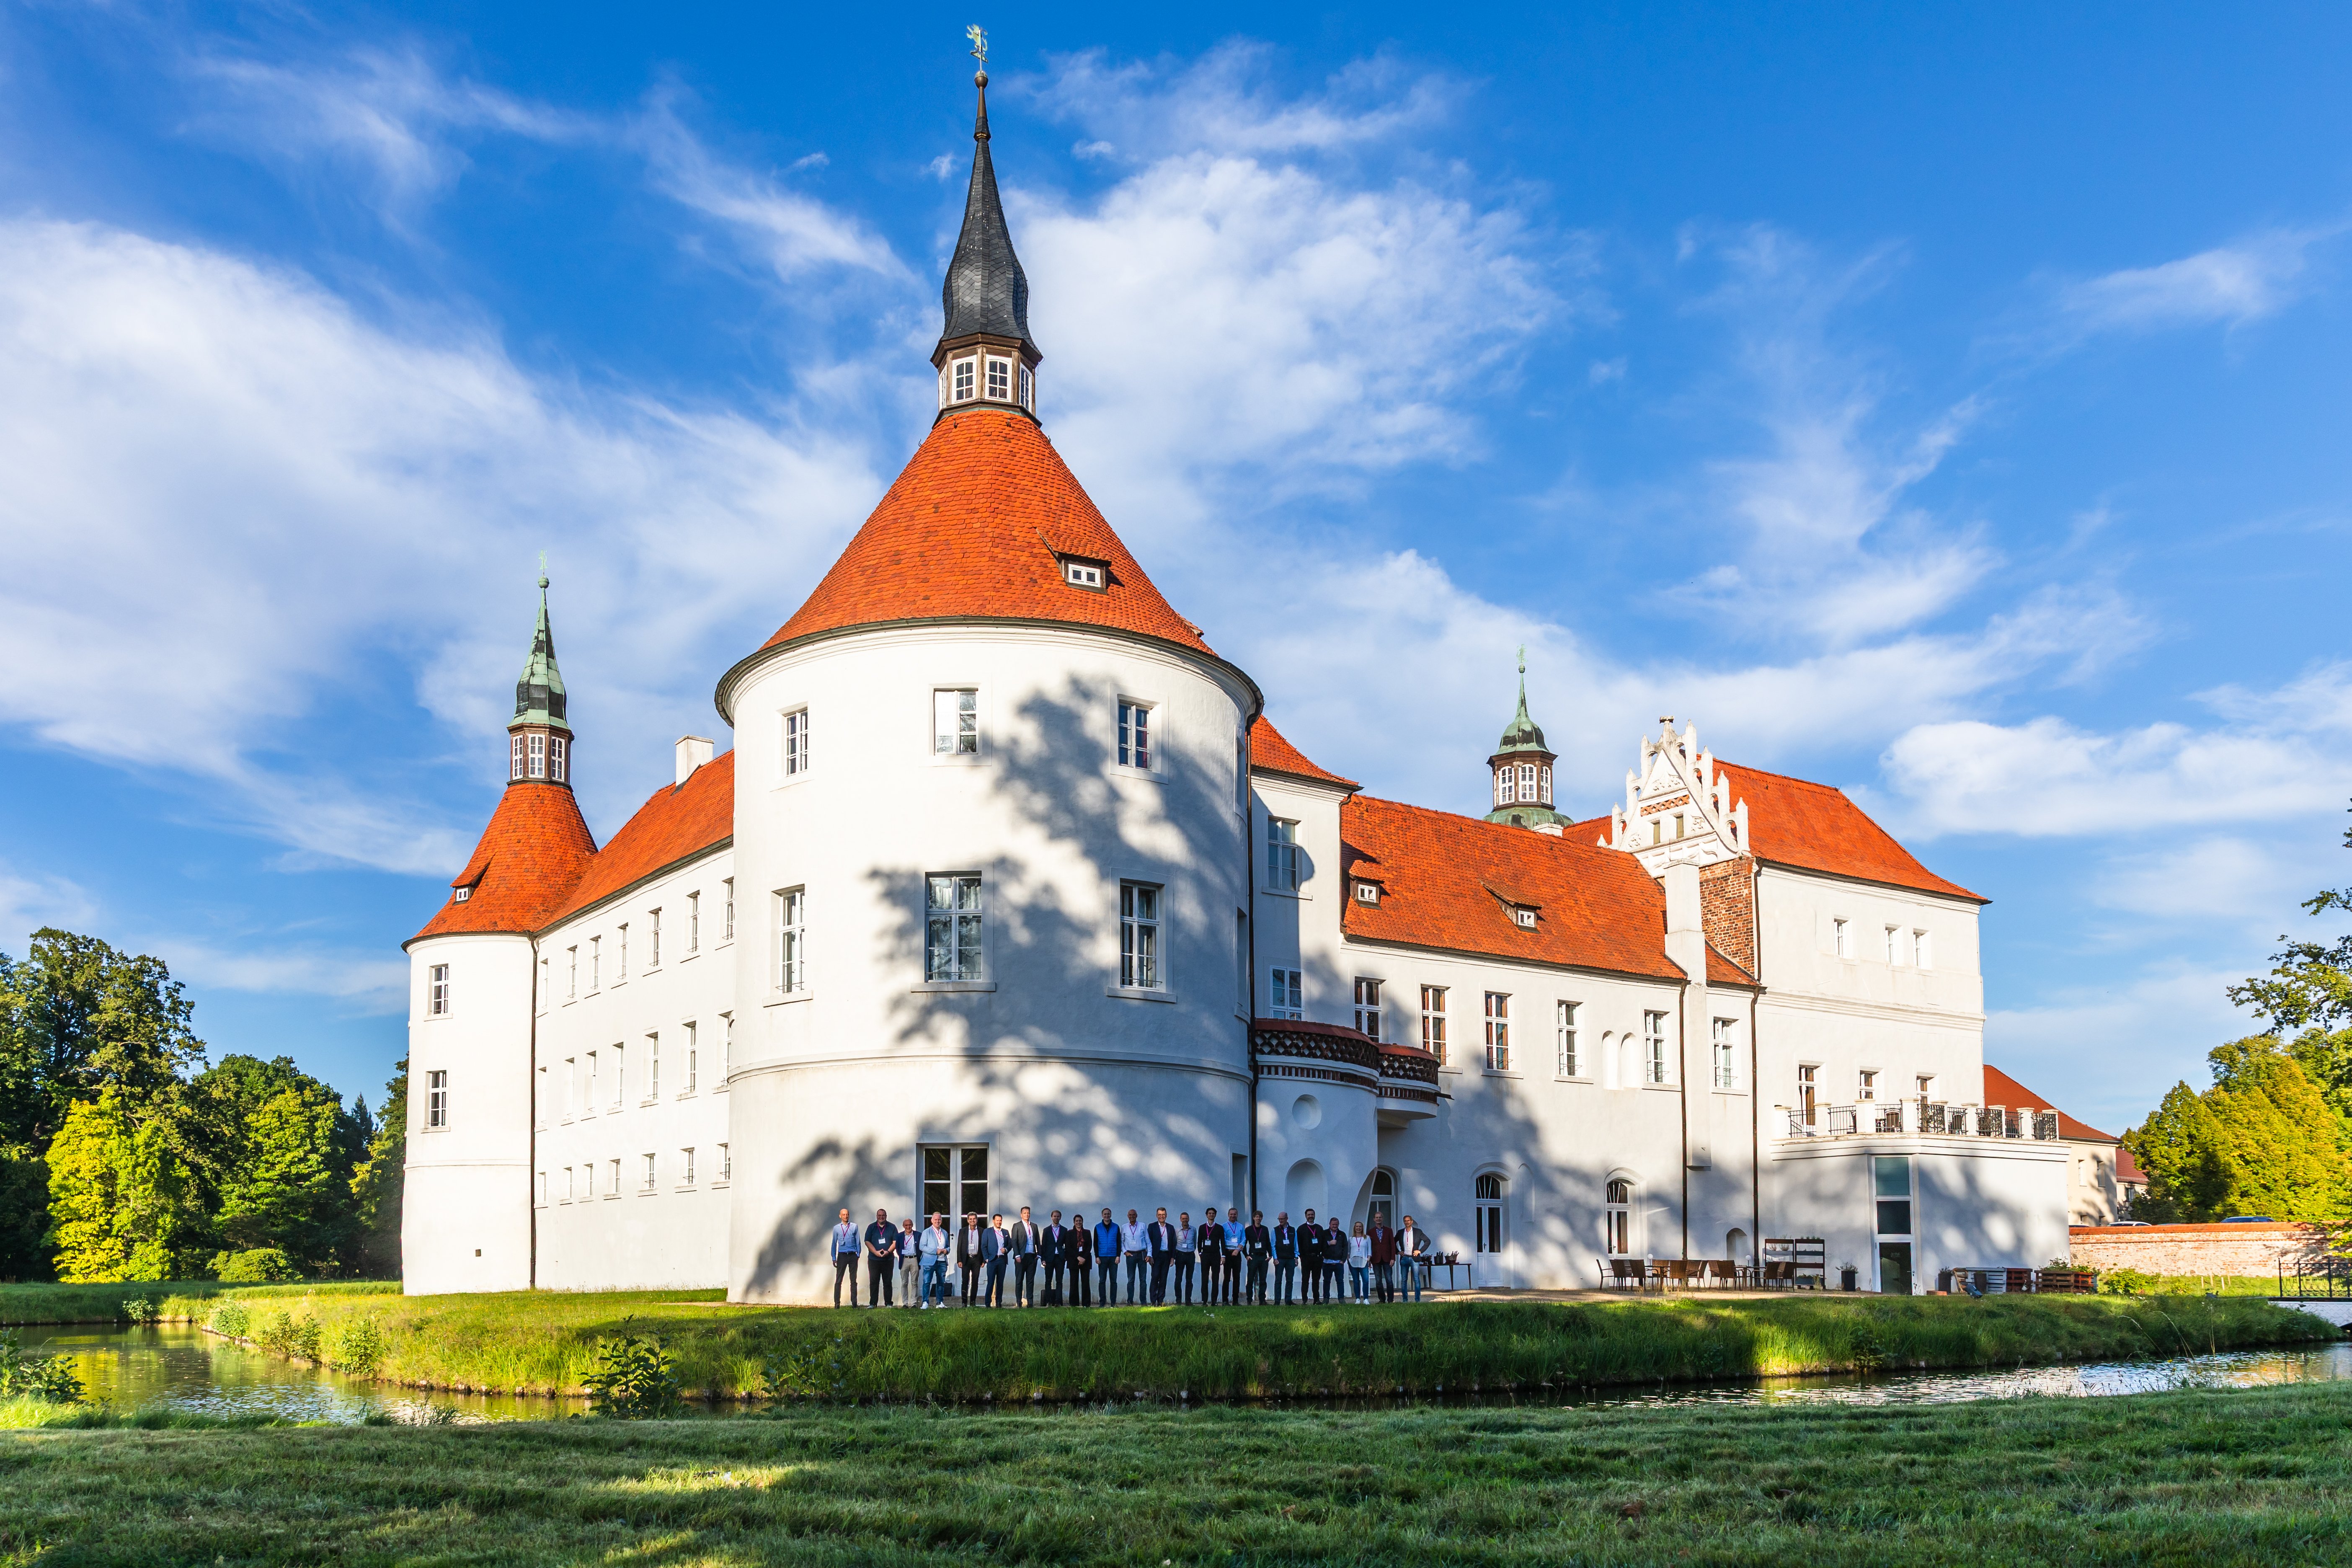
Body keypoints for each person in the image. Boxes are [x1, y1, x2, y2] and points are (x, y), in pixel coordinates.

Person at [863, 1209, 897, 1307]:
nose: (881, 1217)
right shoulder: (871, 1227)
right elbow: (867, 1242)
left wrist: (888, 1252)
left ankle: (889, 1303)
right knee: (874, 1282)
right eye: (879, 1215)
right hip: (874, 1260)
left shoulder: (892, 1227)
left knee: (887, 1282)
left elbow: (895, 1242)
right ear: (877, 1216)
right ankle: (873, 1303)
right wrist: (875, 1252)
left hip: (888, 1259)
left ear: (886, 1216)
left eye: (883, 1215)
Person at [1396, 1214, 1432, 1303]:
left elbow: (1428, 1241)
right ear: (1404, 1222)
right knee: (1404, 1280)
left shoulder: (1418, 1232)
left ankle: (1417, 1300)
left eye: (1409, 1221)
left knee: (1416, 1279)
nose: (1407, 1222)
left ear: (1412, 1222)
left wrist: (1420, 1251)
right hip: (1404, 1258)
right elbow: (1393, 1242)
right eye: (1405, 1221)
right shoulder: (1400, 1232)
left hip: (1414, 1258)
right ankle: (1405, 1300)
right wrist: (1398, 1252)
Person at [1010, 1206, 1041, 1307]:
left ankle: (1030, 1302)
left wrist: (1039, 1255)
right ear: (1021, 1215)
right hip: (1021, 1257)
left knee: (1030, 1281)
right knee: (1019, 1280)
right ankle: (1019, 1301)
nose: (1027, 1215)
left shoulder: (1034, 1226)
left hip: (1032, 1257)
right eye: (1025, 1213)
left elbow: (1038, 1241)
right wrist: (1017, 1255)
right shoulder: (1017, 1226)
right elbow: (1014, 1241)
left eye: (1028, 1213)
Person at [830, 1207, 861, 1307]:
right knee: (839, 1280)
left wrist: (858, 1254)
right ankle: (837, 1303)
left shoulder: (854, 1227)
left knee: (853, 1280)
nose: (846, 1216)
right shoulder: (837, 1228)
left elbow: (858, 1241)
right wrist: (834, 1258)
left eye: (847, 1214)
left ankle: (854, 1303)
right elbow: (834, 1243)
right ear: (840, 1216)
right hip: (842, 1256)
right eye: (844, 1215)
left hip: (852, 1255)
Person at [920, 1212, 951, 1307]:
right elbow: (922, 1247)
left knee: (941, 1283)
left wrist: (947, 1250)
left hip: (942, 1261)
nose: (938, 1221)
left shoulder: (945, 1233)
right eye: (936, 1220)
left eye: (939, 1220)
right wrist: (935, 1251)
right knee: (927, 1282)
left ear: (941, 1221)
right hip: (930, 1261)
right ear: (932, 1221)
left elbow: (948, 1246)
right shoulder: (927, 1232)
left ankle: (940, 1303)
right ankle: (925, 1302)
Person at [1194, 1208, 1224, 1305]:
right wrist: (1200, 1253)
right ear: (1206, 1215)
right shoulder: (1202, 1227)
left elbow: (1223, 1243)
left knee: (1215, 1278)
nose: (1211, 1215)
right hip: (1205, 1255)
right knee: (1205, 1278)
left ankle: (1214, 1301)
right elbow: (1199, 1241)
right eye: (1210, 1213)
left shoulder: (1219, 1228)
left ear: (1215, 1215)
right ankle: (1205, 1301)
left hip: (1216, 1255)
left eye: (1213, 1214)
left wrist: (1223, 1256)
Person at [1146, 1207, 1176, 1305]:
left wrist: (1173, 1257)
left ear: (1166, 1216)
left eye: (1163, 1215)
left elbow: (1173, 1243)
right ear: (1157, 1216)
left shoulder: (1171, 1228)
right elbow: (1148, 1242)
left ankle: (1161, 1300)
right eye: (1160, 1215)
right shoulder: (1152, 1227)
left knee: (1164, 1278)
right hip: (1156, 1256)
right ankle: (1153, 1301)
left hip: (1167, 1256)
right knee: (1155, 1278)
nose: (1162, 1217)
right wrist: (1149, 1255)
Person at [1121, 1208, 1150, 1305]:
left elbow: (1148, 1241)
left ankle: (1144, 1302)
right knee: (1131, 1280)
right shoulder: (1124, 1227)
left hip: (1142, 1254)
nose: (1132, 1216)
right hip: (1130, 1255)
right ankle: (1130, 1302)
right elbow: (1121, 1242)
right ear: (1128, 1216)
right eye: (1130, 1215)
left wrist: (1149, 1254)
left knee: (1143, 1280)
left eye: (1134, 1215)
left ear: (1137, 1216)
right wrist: (1125, 1252)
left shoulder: (1143, 1226)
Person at [1093, 1209, 1122, 1306]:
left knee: (1114, 1281)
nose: (1107, 1216)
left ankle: (1113, 1303)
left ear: (1111, 1215)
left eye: (1108, 1214)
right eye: (1105, 1214)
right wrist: (1097, 1256)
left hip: (1114, 1257)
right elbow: (1095, 1243)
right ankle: (1103, 1302)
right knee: (1102, 1281)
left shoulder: (1116, 1227)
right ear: (1102, 1216)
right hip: (1102, 1257)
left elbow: (1119, 1242)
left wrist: (1118, 1255)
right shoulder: (1097, 1227)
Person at [1243, 1210, 1272, 1305]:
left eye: (1260, 1217)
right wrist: (1246, 1255)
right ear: (1254, 1218)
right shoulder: (1249, 1230)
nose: (1258, 1219)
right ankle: (1249, 1300)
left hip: (1263, 1257)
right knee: (1250, 1279)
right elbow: (1243, 1243)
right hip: (1253, 1257)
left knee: (1263, 1280)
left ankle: (1262, 1300)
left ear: (1262, 1218)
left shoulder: (1265, 1229)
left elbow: (1268, 1243)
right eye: (1257, 1217)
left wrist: (1270, 1255)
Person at [1041, 1209, 1069, 1306]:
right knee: (1048, 1280)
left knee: (1059, 1281)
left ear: (1060, 1218)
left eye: (1058, 1216)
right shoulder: (1047, 1230)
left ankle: (1058, 1302)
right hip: (1049, 1258)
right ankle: (1049, 1301)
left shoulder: (1065, 1230)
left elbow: (1068, 1245)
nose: (1056, 1218)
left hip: (1060, 1258)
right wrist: (1043, 1259)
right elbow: (1043, 1245)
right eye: (1055, 1216)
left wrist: (1065, 1257)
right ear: (1052, 1217)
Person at [958, 1212, 986, 1307]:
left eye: (974, 1219)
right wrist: (959, 1260)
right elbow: (959, 1247)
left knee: (975, 1281)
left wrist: (983, 1260)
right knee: (965, 1281)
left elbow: (984, 1246)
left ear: (977, 1220)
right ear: (967, 1220)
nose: (972, 1221)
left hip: (977, 1259)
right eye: (970, 1219)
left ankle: (973, 1302)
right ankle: (964, 1302)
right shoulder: (963, 1231)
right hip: (966, 1259)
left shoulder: (982, 1231)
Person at [1065, 1212, 1094, 1306]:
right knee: (1074, 1283)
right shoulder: (1070, 1233)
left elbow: (1090, 1246)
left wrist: (1083, 1258)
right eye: (1077, 1221)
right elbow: (1068, 1247)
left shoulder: (1087, 1232)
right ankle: (1074, 1304)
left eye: (1080, 1221)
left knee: (1086, 1283)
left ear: (1083, 1222)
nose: (1078, 1222)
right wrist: (1078, 1257)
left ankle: (1086, 1304)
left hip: (1085, 1261)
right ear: (1074, 1222)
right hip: (1074, 1260)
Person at [1368, 1213, 1398, 1304]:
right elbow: (1369, 1246)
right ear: (1374, 1219)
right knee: (1378, 1281)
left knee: (1389, 1279)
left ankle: (1391, 1300)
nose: (1378, 1219)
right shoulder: (1370, 1232)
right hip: (1376, 1258)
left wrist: (1393, 1258)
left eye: (1380, 1217)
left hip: (1387, 1258)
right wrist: (1369, 1260)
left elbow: (1393, 1245)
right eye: (1377, 1218)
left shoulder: (1389, 1231)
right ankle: (1382, 1299)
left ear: (1383, 1219)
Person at [983, 1213, 1010, 1307]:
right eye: (997, 1220)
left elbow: (1010, 1245)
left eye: (1001, 1220)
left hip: (1002, 1260)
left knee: (1000, 1283)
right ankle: (988, 1303)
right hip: (992, 1260)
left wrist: (1006, 1250)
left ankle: (999, 1302)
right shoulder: (988, 1232)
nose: (999, 1222)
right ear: (993, 1221)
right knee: (991, 1283)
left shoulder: (1006, 1232)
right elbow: (984, 1246)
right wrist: (987, 1259)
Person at [1298, 1209, 1325, 1304]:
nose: (1311, 1216)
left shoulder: (1319, 1228)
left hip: (1317, 1258)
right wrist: (1301, 1256)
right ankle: (1304, 1300)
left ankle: (1316, 1300)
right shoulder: (1301, 1229)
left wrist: (1322, 1255)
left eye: (1312, 1215)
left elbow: (1323, 1242)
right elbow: (1299, 1244)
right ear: (1306, 1216)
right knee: (1305, 1279)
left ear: (1315, 1215)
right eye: (1309, 1215)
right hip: (1306, 1258)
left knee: (1316, 1280)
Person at [1272, 1211, 1299, 1305]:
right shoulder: (1275, 1230)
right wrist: (1275, 1258)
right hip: (1280, 1258)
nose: (1281, 1221)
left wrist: (1296, 1257)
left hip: (1291, 1258)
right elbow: (1273, 1245)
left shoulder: (1293, 1230)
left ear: (1287, 1219)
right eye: (1279, 1219)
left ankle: (1288, 1300)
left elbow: (1296, 1244)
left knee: (1290, 1280)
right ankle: (1277, 1301)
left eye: (1282, 1219)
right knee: (1278, 1280)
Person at [1322, 1217, 1349, 1305]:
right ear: (1330, 1225)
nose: (1335, 1226)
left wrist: (1343, 1260)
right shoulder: (1324, 1234)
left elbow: (1346, 1247)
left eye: (1336, 1225)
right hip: (1327, 1262)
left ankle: (1341, 1298)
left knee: (1340, 1281)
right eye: (1333, 1224)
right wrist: (1329, 1243)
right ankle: (1326, 1299)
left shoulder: (1342, 1234)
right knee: (1326, 1281)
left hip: (1338, 1263)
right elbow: (1321, 1245)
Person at [1173, 1212, 1197, 1305]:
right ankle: (1178, 1301)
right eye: (1183, 1219)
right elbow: (1175, 1243)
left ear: (1189, 1219)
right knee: (1178, 1279)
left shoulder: (1194, 1230)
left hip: (1190, 1255)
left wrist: (1191, 1250)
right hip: (1180, 1255)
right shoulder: (1177, 1230)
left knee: (1189, 1280)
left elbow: (1195, 1243)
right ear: (1180, 1220)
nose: (1185, 1220)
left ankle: (1188, 1301)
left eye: (1186, 1218)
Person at [1222, 1208, 1246, 1305]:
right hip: (1228, 1253)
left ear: (1237, 1215)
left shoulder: (1241, 1227)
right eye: (1231, 1214)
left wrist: (1238, 1249)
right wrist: (1235, 1246)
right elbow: (1223, 1241)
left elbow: (1244, 1239)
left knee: (1237, 1278)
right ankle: (1225, 1300)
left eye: (1235, 1214)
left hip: (1237, 1254)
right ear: (1228, 1215)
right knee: (1227, 1278)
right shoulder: (1224, 1226)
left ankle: (1235, 1301)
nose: (1233, 1216)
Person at [897, 1217, 922, 1309]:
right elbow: (898, 1248)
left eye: (910, 1225)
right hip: (904, 1260)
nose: (908, 1227)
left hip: (915, 1259)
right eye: (906, 1225)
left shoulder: (918, 1235)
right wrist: (902, 1254)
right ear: (903, 1226)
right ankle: (905, 1303)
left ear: (913, 1225)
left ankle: (914, 1303)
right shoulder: (899, 1236)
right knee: (904, 1282)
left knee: (915, 1282)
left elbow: (921, 1247)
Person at [1348, 1221, 1372, 1302]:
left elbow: (1370, 1249)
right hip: (1353, 1262)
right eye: (1357, 1227)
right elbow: (1349, 1251)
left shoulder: (1367, 1238)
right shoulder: (1351, 1239)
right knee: (1356, 1281)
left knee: (1365, 1280)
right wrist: (1349, 1259)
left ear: (1362, 1228)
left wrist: (1369, 1259)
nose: (1358, 1228)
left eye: (1360, 1227)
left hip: (1364, 1262)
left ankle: (1366, 1299)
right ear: (1355, 1228)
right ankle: (1358, 1299)